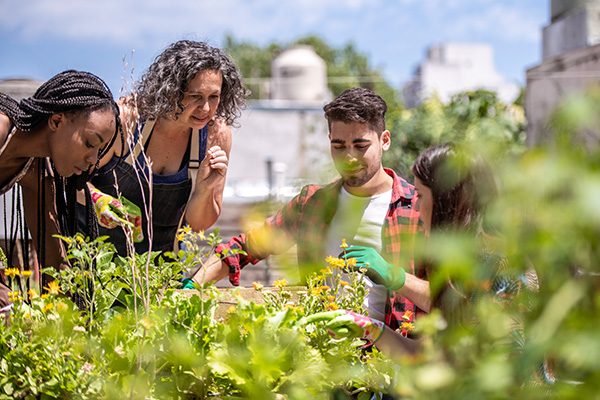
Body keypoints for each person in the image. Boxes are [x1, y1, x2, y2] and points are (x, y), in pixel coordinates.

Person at [190, 87, 429, 330]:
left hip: (393, 360)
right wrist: (190, 286)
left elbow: (452, 302)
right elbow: (244, 247)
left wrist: (395, 276)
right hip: (326, 353)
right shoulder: (312, 204)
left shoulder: (418, 207)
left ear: (384, 141)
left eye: (360, 146)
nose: (349, 157)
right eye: (339, 146)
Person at [306, 142, 515, 357]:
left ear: (447, 199)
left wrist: (394, 276)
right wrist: (368, 328)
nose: (415, 205)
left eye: (421, 195)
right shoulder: (462, 265)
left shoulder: (499, 268)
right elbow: (425, 354)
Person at [78, 40, 249, 256]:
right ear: (170, 90)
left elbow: (198, 226)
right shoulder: (126, 120)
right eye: (195, 96)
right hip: (94, 257)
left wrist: (205, 188)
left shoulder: (216, 135)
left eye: (213, 97)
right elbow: (68, 179)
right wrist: (98, 200)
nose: (205, 108)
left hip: (160, 268)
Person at [0, 70, 121, 309]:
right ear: (56, 121)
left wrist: (73, 318)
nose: (92, 159)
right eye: (89, 143)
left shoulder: (36, 168)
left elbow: (53, 260)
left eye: (99, 151)